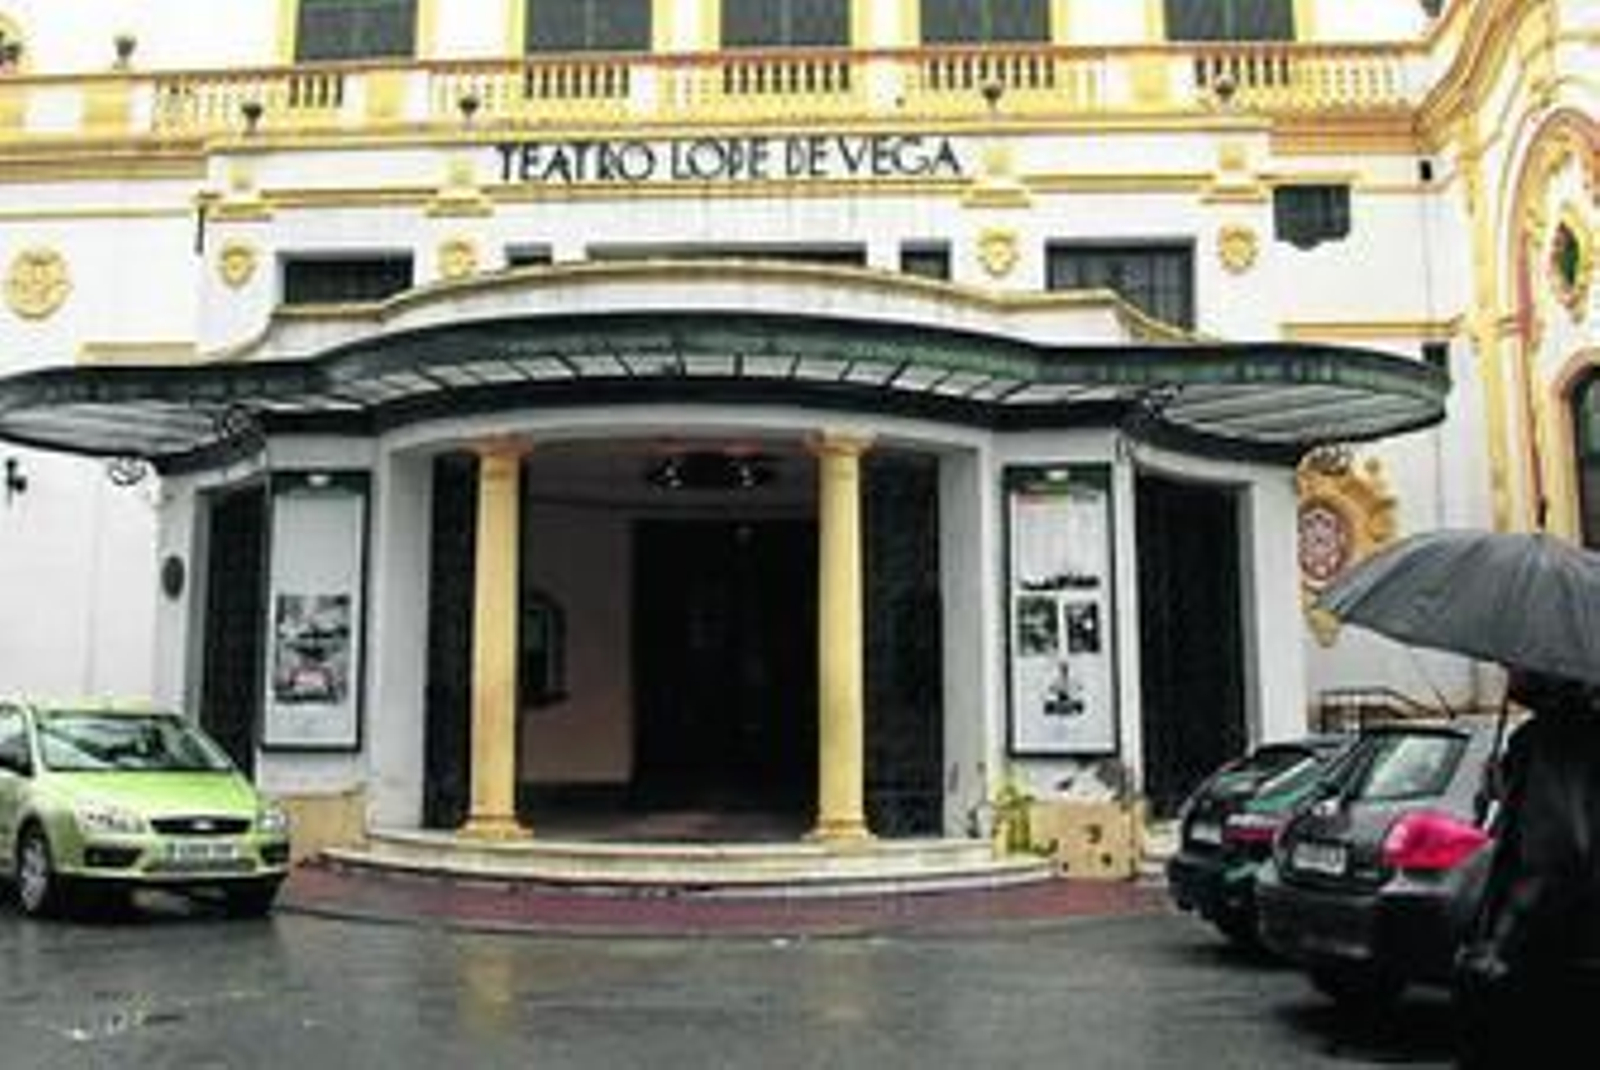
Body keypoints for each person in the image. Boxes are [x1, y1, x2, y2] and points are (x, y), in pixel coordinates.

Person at [1455, 669, 1600, 1067]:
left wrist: (1503, 940)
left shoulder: (1548, 741)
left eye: (1515, 664)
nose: (1507, 669)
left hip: (1551, 961)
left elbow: (1561, 849)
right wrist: (1497, 792)